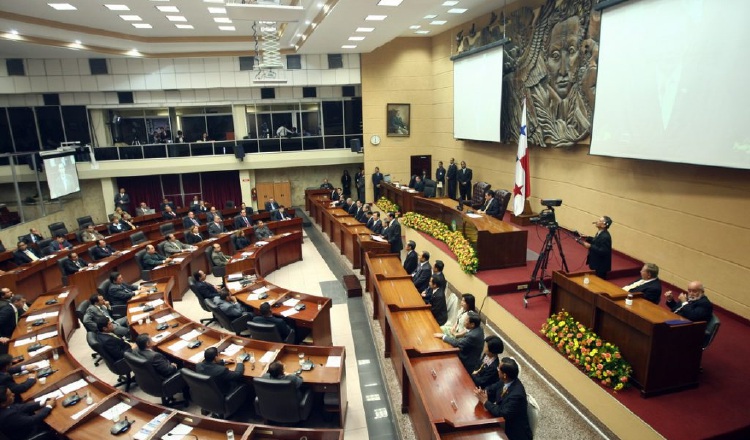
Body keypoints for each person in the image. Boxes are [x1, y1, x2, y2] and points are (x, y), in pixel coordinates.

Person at [474, 357, 533, 440]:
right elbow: (492, 388)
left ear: (504, 375)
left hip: (514, 434)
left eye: (498, 368)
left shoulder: (516, 395)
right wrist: (482, 392)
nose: (497, 370)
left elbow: (502, 413)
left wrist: (485, 401)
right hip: (503, 423)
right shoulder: (506, 381)